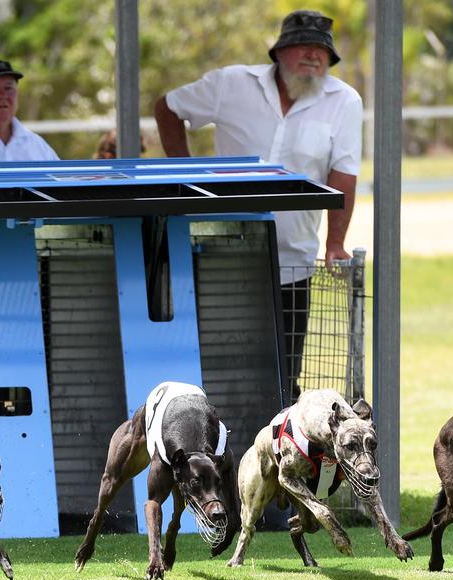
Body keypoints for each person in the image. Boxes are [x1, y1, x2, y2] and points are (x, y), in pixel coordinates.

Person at [154, 9, 361, 404]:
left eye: (322, 51)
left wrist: (336, 242)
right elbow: (168, 107)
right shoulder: (232, 83)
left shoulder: (344, 101)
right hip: (218, 253)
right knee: (218, 365)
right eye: (304, 46)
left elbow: (344, 175)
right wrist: (186, 175)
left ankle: (278, 455)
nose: (314, 56)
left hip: (293, 259)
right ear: (281, 52)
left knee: (284, 371)